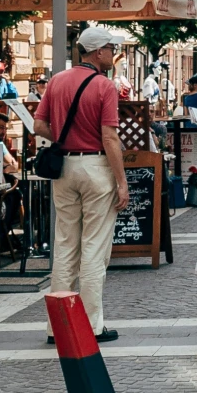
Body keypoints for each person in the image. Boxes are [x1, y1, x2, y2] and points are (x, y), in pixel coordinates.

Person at [36, 25, 130, 342]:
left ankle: (58, 327)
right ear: (98, 51)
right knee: (94, 249)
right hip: (95, 165)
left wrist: (63, 138)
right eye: (110, 48)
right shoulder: (104, 86)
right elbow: (110, 137)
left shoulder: (56, 81)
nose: (113, 54)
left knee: (65, 247)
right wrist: (121, 181)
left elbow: (39, 124)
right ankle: (91, 326)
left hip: (64, 167)